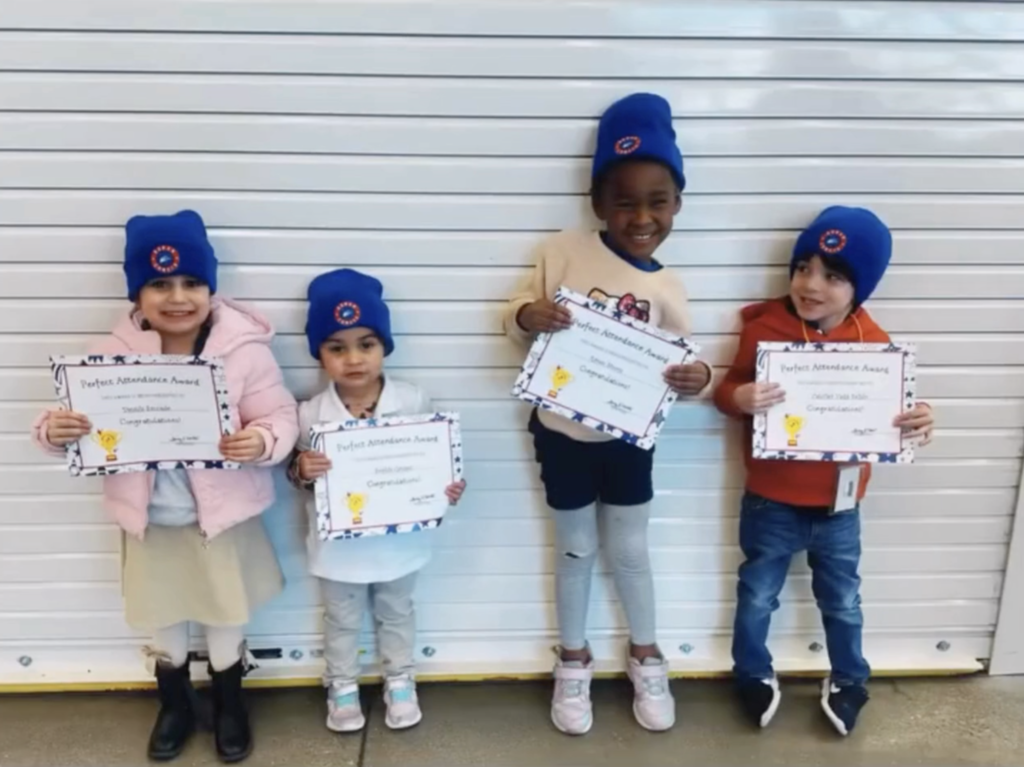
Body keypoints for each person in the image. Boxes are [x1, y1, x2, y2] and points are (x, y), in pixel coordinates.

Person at [32, 210, 298, 763]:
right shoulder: (109, 352)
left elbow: (280, 414)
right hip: (150, 519)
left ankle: (230, 703)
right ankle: (173, 703)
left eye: (192, 282)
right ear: (137, 291)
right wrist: (55, 430)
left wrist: (263, 440)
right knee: (165, 620)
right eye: (159, 283)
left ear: (210, 287)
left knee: (226, 614)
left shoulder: (244, 351)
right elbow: (70, 419)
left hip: (222, 518)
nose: (178, 297)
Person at [503, 93, 712, 735]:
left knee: (629, 549)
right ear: (598, 203)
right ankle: (573, 658)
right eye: (624, 200)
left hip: (628, 441)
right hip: (561, 432)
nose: (641, 216)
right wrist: (525, 316)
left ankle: (646, 654)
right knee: (575, 548)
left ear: (677, 204)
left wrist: (698, 378)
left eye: (657, 200)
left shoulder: (668, 286)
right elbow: (515, 313)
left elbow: (687, 366)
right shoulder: (560, 252)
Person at [713, 206, 935, 736]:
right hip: (771, 499)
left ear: (859, 288)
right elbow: (726, 391)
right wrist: (739, 396)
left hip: (840, 507)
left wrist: (918, 419)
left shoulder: (877, 345)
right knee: (757, 593)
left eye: (833, 276)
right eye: (803, 268)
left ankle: (851, 678)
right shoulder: (764, 328)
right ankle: (752, 672)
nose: (811, 285)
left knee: (842, 599)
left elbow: (892, 413)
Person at [289, 268, 466, 734]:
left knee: (396, 613)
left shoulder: (411, 400)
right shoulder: (309, 412)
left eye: (366, 344)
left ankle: (400, 678)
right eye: (336, 347)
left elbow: (435, 464)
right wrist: (302, 470)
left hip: (399, 545)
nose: (353, 359)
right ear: (319, 354)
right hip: (339, 551)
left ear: (384, 346)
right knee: (342, 619)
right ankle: (342, 684)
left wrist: (446, 487)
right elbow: (292, 471)